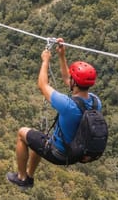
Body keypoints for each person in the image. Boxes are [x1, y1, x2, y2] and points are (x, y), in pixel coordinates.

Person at [7, 39, 101, 189]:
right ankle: (30, 176)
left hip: (58, 153)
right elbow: (66, 79)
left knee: (22, 133)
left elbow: (42, 85)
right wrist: (61, 56)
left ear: (74, 83)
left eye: (72, 79)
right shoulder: (96, 102)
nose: (69, 79)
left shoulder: (67, 105)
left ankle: (22, 177)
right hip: (76, 153)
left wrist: (45, 61)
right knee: (38, 137)